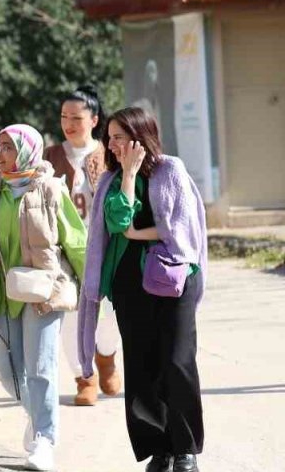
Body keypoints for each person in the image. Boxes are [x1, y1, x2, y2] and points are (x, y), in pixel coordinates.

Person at [78, 107, 207, 472]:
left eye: (119, 137)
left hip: (173, 279)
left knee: (178, 360)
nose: (112, 144)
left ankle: (185, 449)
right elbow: (119, 221)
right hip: (130, 283)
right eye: (110, 138)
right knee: (141, 366)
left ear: (140, 136)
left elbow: (182, 232)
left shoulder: (172, 170)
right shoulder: (111, 180)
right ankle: (159, 449)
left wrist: (138, 233)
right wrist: (130, 175)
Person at [0, 124, 86, 472]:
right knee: (8, 371)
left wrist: (92, 286)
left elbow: (75, 239)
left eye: (8, 147)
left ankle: (45, 439)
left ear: (26, 150)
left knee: (40, 368)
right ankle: (35, 415)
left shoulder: (50, 189)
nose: (1, 154)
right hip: (2, 292)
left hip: (43, 291)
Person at [44, 85, 122, 406]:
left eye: (76, 117)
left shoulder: (108, 154)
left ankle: (106, 359)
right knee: (70, 315)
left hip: (103, 247)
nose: (69, 123)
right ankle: (83, 376)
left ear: (94, 119)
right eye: (64, 116)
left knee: (109, 314)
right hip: (62, 251)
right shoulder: (49, 156)